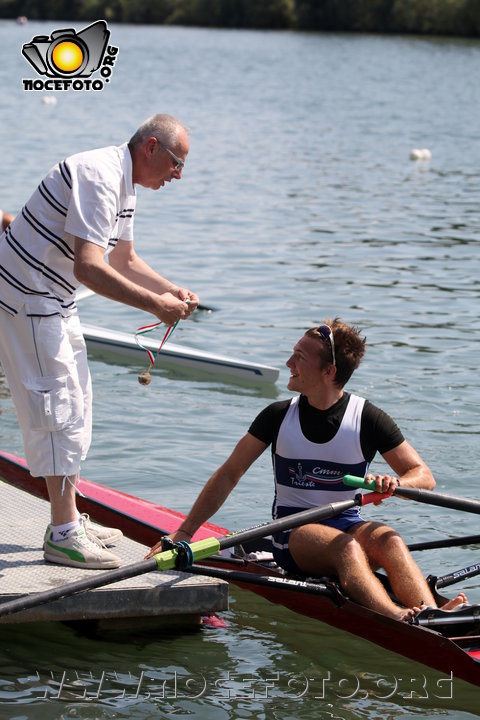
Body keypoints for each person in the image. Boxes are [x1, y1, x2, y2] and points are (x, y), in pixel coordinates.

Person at [148, 318, 466, 620]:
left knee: (390, 540)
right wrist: (185, 532)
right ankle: (397, 616)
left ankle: (427, 612)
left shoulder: (367, 418)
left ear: (328, 371)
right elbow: (230, 473)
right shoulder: (277, 416)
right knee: (347, 548)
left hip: (347, 523)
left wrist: (396, 483)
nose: (288, 363)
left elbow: (423, 477)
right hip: (293, 534)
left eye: (299, 357)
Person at [0, 114, 199, 570]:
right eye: (176, 163)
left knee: (78, 403)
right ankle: (64, 534)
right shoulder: (100, 174)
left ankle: (67, 520)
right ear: (150, 147)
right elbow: (88, 268)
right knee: (56, 410)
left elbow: (124, 259)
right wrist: (154, 306)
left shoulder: (123, 180)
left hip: (52, 299)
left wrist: (170, 290)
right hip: (27, 298)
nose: (178, 175)